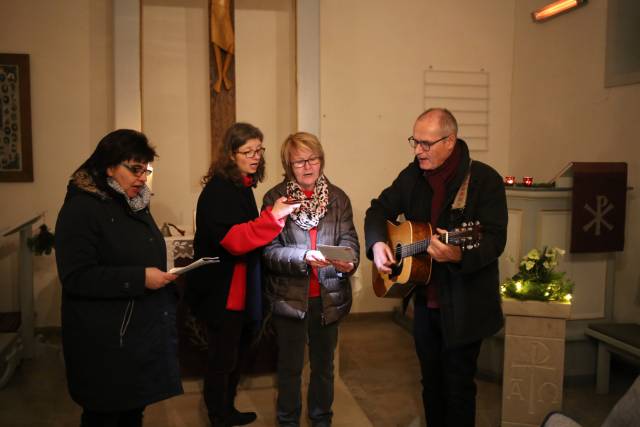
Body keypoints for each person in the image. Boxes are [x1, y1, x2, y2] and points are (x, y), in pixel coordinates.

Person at [364, 108, 508, 427]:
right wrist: (377, 245)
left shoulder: (484, 180)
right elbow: (378, 209)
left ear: (450, 141)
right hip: (425, 306)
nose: (418, 150)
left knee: (458, 389)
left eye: (426, 144)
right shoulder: (413, 175)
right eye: (415, 142)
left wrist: (458, 255)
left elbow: (494, 240)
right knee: (431, 385)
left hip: (466, 304)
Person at [55, 129, 182, 426]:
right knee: (106, 414)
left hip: (133, 332)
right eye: (134, 169)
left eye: (145, 170)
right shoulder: (81, 209)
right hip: (103, 339)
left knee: (130, 410)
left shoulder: (132, 203)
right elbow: (76, 276)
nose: (142, 177)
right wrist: (140, 278)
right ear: (109, 166)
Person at [185, 122, 299, 426]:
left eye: (259, 150)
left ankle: (227, 408)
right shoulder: (218, 191)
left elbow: (246, 226)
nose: (255, 156)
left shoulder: (242, 185)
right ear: (230, 154)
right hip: (221, 288)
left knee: (235, 353)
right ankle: (217, 415)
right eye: (247, 151)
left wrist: (269, 214)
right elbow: (235, 240)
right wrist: (272, 220)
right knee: (222, 357)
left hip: (240, 285)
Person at [262, 132, 360, 427]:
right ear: (288, 165)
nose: (308, 166)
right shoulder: (275, 199)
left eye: (313, 159)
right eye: (299, 161)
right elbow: (269, 251)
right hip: (290, 297)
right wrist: (302, 257)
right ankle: (288, 421)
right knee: (290, 368)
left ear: (321, 160)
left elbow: (350, 239)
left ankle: (321, 420)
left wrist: (349, 260)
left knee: (324, 368)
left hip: (328, 296)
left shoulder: (338, 198)